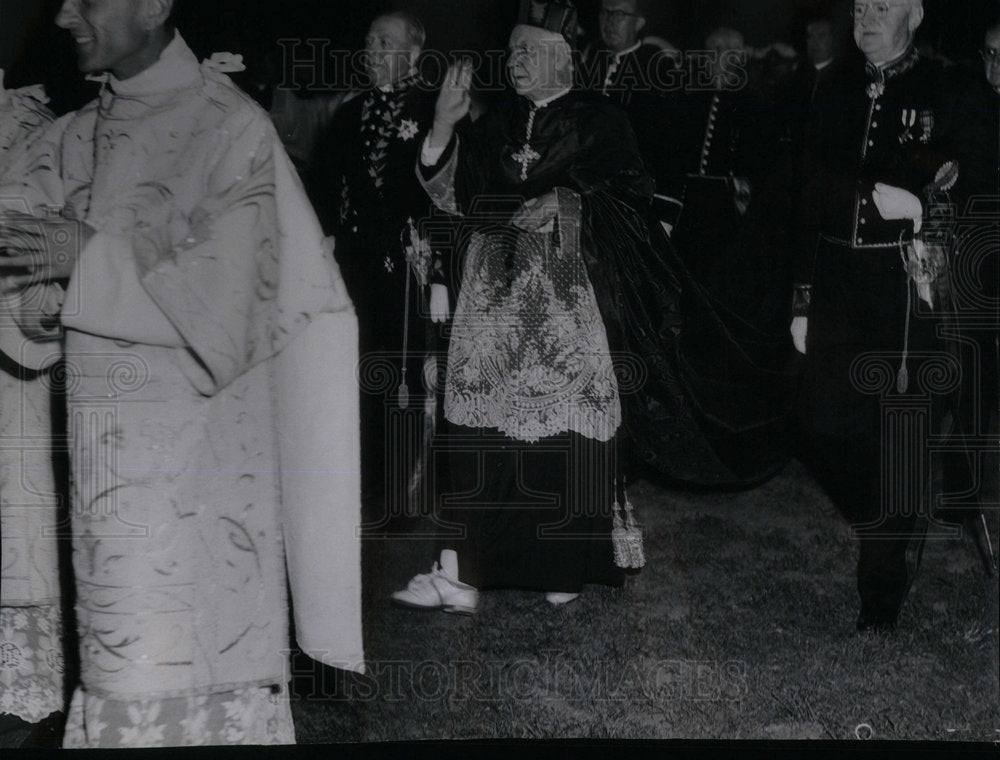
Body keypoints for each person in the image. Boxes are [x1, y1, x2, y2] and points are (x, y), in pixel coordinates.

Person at [0, 0, 364, 746]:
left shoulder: (233, 130)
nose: (65, 14)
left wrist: (85, 262)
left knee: (172, 674)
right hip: (104, 469)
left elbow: (231, 302)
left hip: (204, 479)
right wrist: (34, 300)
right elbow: (21, 258)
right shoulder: (72, 131)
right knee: (116, 666)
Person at [392, 0, 644, 612]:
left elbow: (633, 201)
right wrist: (446, 127)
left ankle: (562, 566)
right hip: (491, 305)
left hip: (566, 305)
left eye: (529, 50)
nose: (516, 62)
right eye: (511, 51)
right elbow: (453, 198)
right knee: (479, 434)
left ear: (564, 57)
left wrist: (568, 198)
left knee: (559, 437)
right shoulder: (498, 122)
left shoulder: (600, 121)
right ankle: (462, 573)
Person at [791, 0, 966, 632]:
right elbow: (806, 185)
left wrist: (927, 203)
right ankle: (890, 520)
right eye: (860, 6)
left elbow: (963, 174)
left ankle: (880, 600)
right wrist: (801, 294)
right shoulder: (834, 83)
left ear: (916, 15)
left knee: (897, 435)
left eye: (881, 7)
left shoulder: (946, 85)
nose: (864, 17)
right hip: (837, 282)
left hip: (903, 290)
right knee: (817, 426)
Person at [312, 11, 441, 518]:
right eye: (368, 42)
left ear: (413, 55)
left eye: (384, 43)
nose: (372, 51)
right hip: (355, 268)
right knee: (355, 374)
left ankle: (403, 494)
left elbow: (447, 195)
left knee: (404, 377)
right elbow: (325, 189)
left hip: (408, 272)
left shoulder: (437, 112)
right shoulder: (349, 113)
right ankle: (361, 486)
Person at [0, 72, 67, 746]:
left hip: (12, 387)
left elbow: (37, 318)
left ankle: (20, 688)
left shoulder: (31, 153)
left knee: (19, 520)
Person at [589, 0, 682, 235]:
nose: (609, 21)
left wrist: (665, 212)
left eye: (619, 14)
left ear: (639, 22)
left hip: (634, 202)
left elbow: (671, 147)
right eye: (605, 13)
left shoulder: (658, 69)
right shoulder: (589, 62)